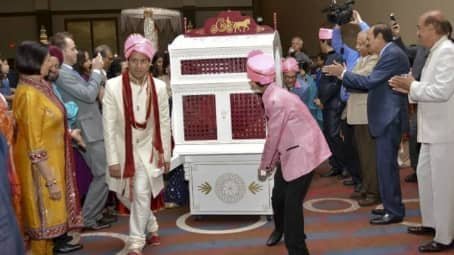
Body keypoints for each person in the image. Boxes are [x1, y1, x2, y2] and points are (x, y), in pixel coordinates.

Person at [323, 24, 410, 225]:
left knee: (386, 167)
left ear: (381, 37)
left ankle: (394, 210)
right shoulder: (388, 53)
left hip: (388, 117)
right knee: (384, 166)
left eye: (370, 38)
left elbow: (369, 82)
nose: (368, 42)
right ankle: (390, 207)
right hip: (384, 116)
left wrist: (343, 74)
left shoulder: (391, 54)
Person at [248, 50, 331, 255]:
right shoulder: (274, 94)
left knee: (292, 206)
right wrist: (272, 162)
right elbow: (281, 134)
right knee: (279, 197)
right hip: (294, 152)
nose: (249, 82)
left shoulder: (275, 99)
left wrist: (265, 165)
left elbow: (273, 137)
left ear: (256, 80)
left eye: (250, 78)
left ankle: (297, 249)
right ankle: (282, 231)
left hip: (302, 153)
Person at [389, 10, 454, 253]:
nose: (417, 32)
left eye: (420, 28)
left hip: (444, 132)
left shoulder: (447, 52)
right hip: (431, 130)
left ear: (434, 27)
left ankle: (446, 236)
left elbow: (441, 91)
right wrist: (408, 85)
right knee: (426, 178)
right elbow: (428, 87)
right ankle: (431, 223)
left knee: (443, 184)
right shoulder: (434, 52)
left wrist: (412, 86)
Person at [103, 34, 171, 255]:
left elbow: (164, 122)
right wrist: (113, 160)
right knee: (124, 194)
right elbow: (109, 126)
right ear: (127, 60)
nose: (139, 66)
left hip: (149, 150)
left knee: (141, 192)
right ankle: (151, 224)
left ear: (150, 62)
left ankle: (135, 242)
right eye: (134, 60)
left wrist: (166, 154)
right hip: (123, 149)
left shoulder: (159, 87)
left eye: (143, 61)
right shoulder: (112, 87)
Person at [12, 41, 84, 254]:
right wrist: (51, 182)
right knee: (42, 233)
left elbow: (49, 124)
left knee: (49, 234)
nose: (50, 62)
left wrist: (70, 134)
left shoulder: (40, 86)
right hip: (41, 173)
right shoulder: (29, 94)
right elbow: (34, 145)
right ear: (34, 62)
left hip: (53, 165)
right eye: (45, 60)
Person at [52, 32, 114, 230]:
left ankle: (93, 214)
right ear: (62, 52)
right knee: (103, 174)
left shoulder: (69, 71)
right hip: (86, 130)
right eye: (72, 48)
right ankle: (88, 217)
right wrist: (96, 72)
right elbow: (88, 95)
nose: (76, 51)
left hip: (91, 127)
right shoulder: (62, 73)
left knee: (103, 173)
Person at [346, 31, 380, 206]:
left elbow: (358, 81)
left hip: (365, 115)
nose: (358, 47)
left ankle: (373, 192)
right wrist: (348, 77)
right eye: (357, 43)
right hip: (356, 114)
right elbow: (351, 81)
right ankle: (366, 188)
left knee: (368, 157)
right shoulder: (360, 60)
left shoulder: (374, 59)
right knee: (362, 156)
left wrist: (345, 75)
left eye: (362, 43)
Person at [317, 28, 347, 178]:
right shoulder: (330, 57)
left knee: (334, 135)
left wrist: (323, 99)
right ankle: (336, 165)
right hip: (327, 104)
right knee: (329, 135)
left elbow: (334, 84)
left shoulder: (335, 57)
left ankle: (346, 165)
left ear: (324, 41)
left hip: (332, 104)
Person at [282, 57, 322, 127]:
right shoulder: (279, 87)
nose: (290, 80)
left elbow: (305, 112)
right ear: (282, 76)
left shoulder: (304, 88)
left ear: (297, 75)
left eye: (293, 77)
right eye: (287, 77)